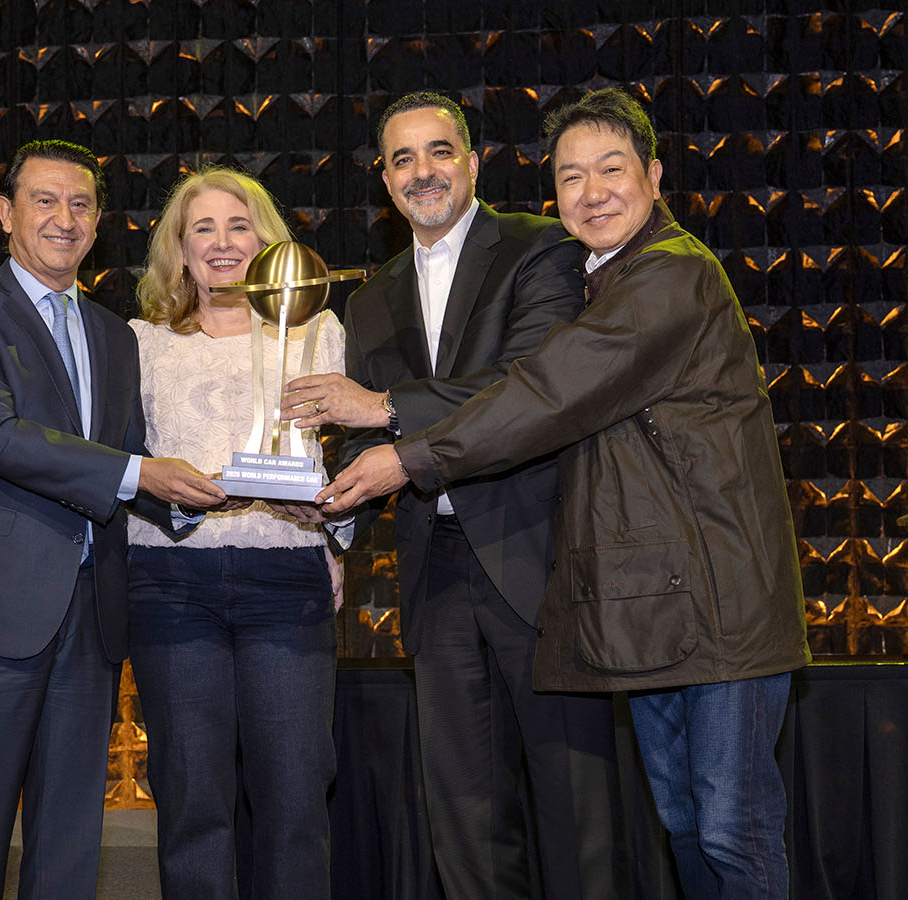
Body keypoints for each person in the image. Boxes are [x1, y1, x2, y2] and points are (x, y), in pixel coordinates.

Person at [319, 88, 811, 900]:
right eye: (570, 176)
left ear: (654, 175)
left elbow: (543, 392)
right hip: (653, 606)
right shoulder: (602, 279)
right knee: (689, 823)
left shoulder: (669, 278)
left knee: (732, 829)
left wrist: (404, 450)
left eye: (611, 170)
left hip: (722, 600)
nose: (591, 192)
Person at [283, 92, 630, 899]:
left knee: (575, 809)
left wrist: (383, 409)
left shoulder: (541, 250)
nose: (422, 172)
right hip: (433, 572)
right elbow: (371, 453)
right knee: (464, 813)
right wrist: (325, 508)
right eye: (402, 159)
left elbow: (529, 384)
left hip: (537, 557)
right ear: (385, 180)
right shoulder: (370, 298)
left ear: (474, 164)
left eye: (440, 152)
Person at [0, 139, 225, 900]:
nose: (64, 218)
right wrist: (142, 474)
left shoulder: (114, 334)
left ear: (99, 221)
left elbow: (126, 457)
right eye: (45, 201)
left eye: (81, 204)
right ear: (5, 214)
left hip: (90, 612)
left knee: (68, 836)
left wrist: (193, 497)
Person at [126, 167, 344, 900]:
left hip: (285, 580)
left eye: (238, 226)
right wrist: (170, 497)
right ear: (179, 251)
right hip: (170, 582)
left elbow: (343, 466)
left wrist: (334, 518)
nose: (222, 244)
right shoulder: (142, 343)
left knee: (295, 791)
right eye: (203, 230)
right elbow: (123, 473)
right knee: (191, 795)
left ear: (266, 241)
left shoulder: (320, 331)